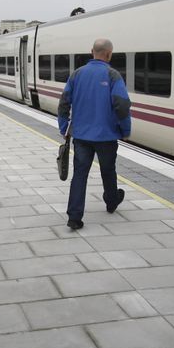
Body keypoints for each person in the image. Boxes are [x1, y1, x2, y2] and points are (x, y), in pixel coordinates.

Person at [57, 38, 132, 230]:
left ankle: (74, 217)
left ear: (92, 51)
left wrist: (64, 127)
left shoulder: (77, 74)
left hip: (81, 136)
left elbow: (64, 103)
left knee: (80, 175)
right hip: (106, 137)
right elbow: (122, 105)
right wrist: (125, 130)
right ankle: (111, 201)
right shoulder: (113, 75)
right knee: (108, 170)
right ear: (109, 54)